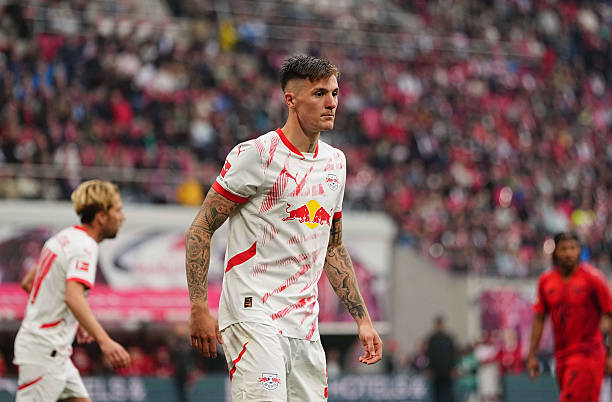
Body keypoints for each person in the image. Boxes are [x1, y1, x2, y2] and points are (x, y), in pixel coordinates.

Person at [185, 54, 383, 401]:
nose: (331, 103)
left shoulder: (335, 163)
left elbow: (333, 246)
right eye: (319, 94)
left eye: (335, 93)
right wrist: (199, 306)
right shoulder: (257, 155)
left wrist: (363, 319)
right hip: (252, 312)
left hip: (304, 323)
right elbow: (201, 228)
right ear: (290, 100)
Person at [13, 179, 131, 402]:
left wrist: (75, 319)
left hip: (54, 352)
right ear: (101, 216)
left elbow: (29, 282)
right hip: (44, 351)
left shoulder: (64, 236)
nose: (122, 217)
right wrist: (105, 341)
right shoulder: (85, 246)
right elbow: (73, 297)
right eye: (118, 210)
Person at [527, 232, 612, 401]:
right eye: (564, 249)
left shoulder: (593, 279)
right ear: (556, 252)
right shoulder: (546, 281)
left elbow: (610, 314)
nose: (569, 253)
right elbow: (539, 318)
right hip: (561, 356)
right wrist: (532, 355)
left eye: (573, 248)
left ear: (579, 250)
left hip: (588, 355)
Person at [426, 316, 457, 402]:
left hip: (447, 371)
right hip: (436, 372)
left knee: (449, 393)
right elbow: (429, 355)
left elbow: (452, 354)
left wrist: (453, 368)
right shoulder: (432, 339)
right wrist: (429, 368)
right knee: (436, 394)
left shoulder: (448, 339)